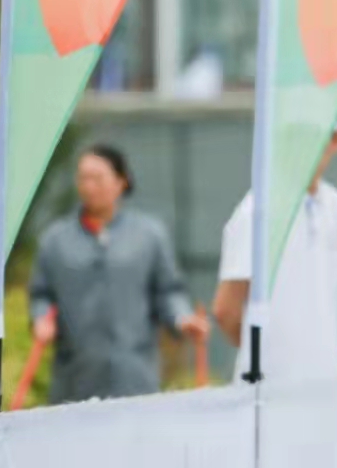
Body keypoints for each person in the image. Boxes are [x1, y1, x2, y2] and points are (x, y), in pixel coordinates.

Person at [29, 145, 208, 404]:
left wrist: (182, 318)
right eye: (83, 178)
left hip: (135, 380)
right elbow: (41, 295)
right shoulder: (55, 240)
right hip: (74, 381)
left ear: (121, 182)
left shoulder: (149, 235)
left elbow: (168, 291)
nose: (89, 186)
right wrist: (41, 319)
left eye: (97, 178)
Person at [212, 123, 337, 382]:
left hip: (329, 382)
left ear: (335, 141)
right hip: (268, 387)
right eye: (296, 137)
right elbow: (226, 310)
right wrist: (266, 354)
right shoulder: (256, 211)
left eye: (316, 136)